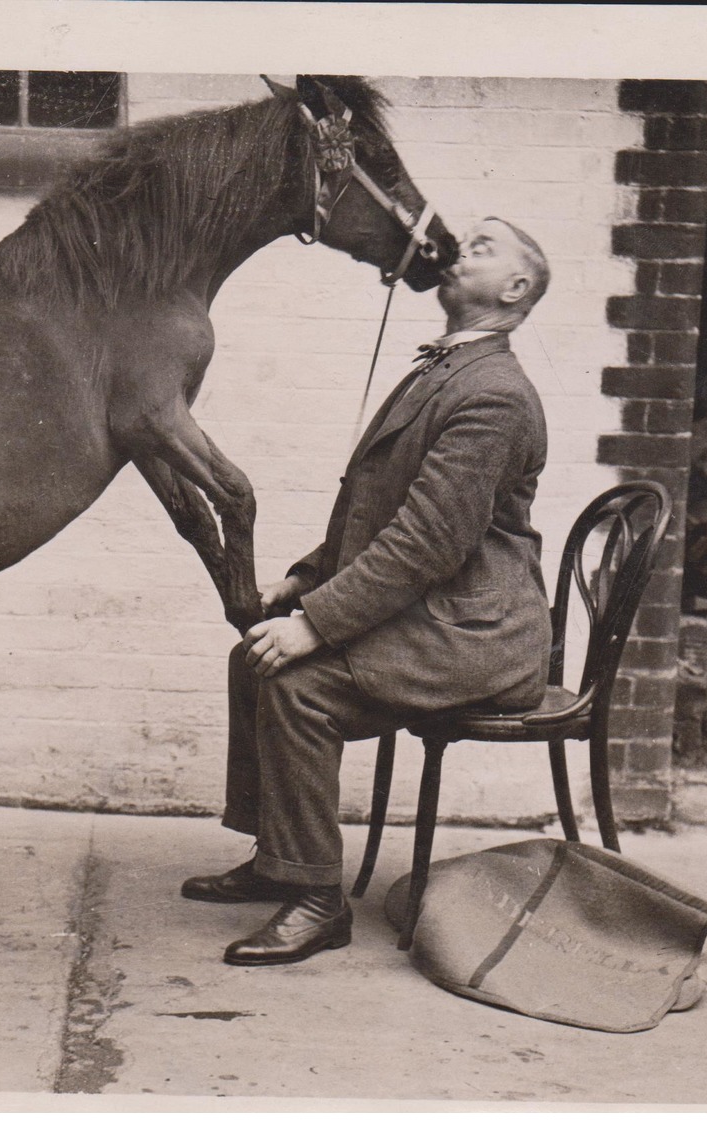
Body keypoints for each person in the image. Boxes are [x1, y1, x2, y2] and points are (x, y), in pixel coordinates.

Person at [183, 217, 553, 966]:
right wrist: (304, 581)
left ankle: (317, 901)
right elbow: (378, 511)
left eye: (481, 247)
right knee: (251, 657)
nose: (456, 248)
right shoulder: (445, 370)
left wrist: (314, 626)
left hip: (475, 633)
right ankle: (280, 857)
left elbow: (429, 540)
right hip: (438, 611)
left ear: (515, 290)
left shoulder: (495, 395)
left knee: (297, 686)